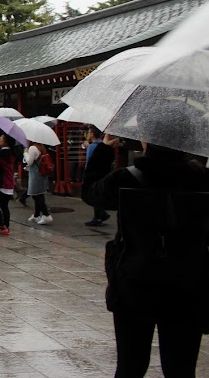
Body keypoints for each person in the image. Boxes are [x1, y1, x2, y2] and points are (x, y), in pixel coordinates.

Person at [86, 139, 209, 377]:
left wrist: (103, 149)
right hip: (188, 286)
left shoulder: (125, 178)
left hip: (134, 283)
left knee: (130, 366)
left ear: (146, 140)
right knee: (181, 369)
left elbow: (91, 194)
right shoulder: (202, 179)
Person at [83, 125, 114, 227]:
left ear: (92, 134)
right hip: (103, 173)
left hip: (93, 174)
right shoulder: (103, 145)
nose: (87, 134)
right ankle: (101, 214)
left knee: (93, 195)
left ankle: (99, 216)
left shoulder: (92, 147)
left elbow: (89, 161)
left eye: (89, 132)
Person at [24, 142, 52, 225]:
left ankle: (46, 215)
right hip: (41, 173)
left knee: (36, 195)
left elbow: (29, 162)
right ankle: (36, 215)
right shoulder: (41, 147)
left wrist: (25, 153)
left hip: (36, 174)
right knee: (38, 194)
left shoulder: (32, 148)